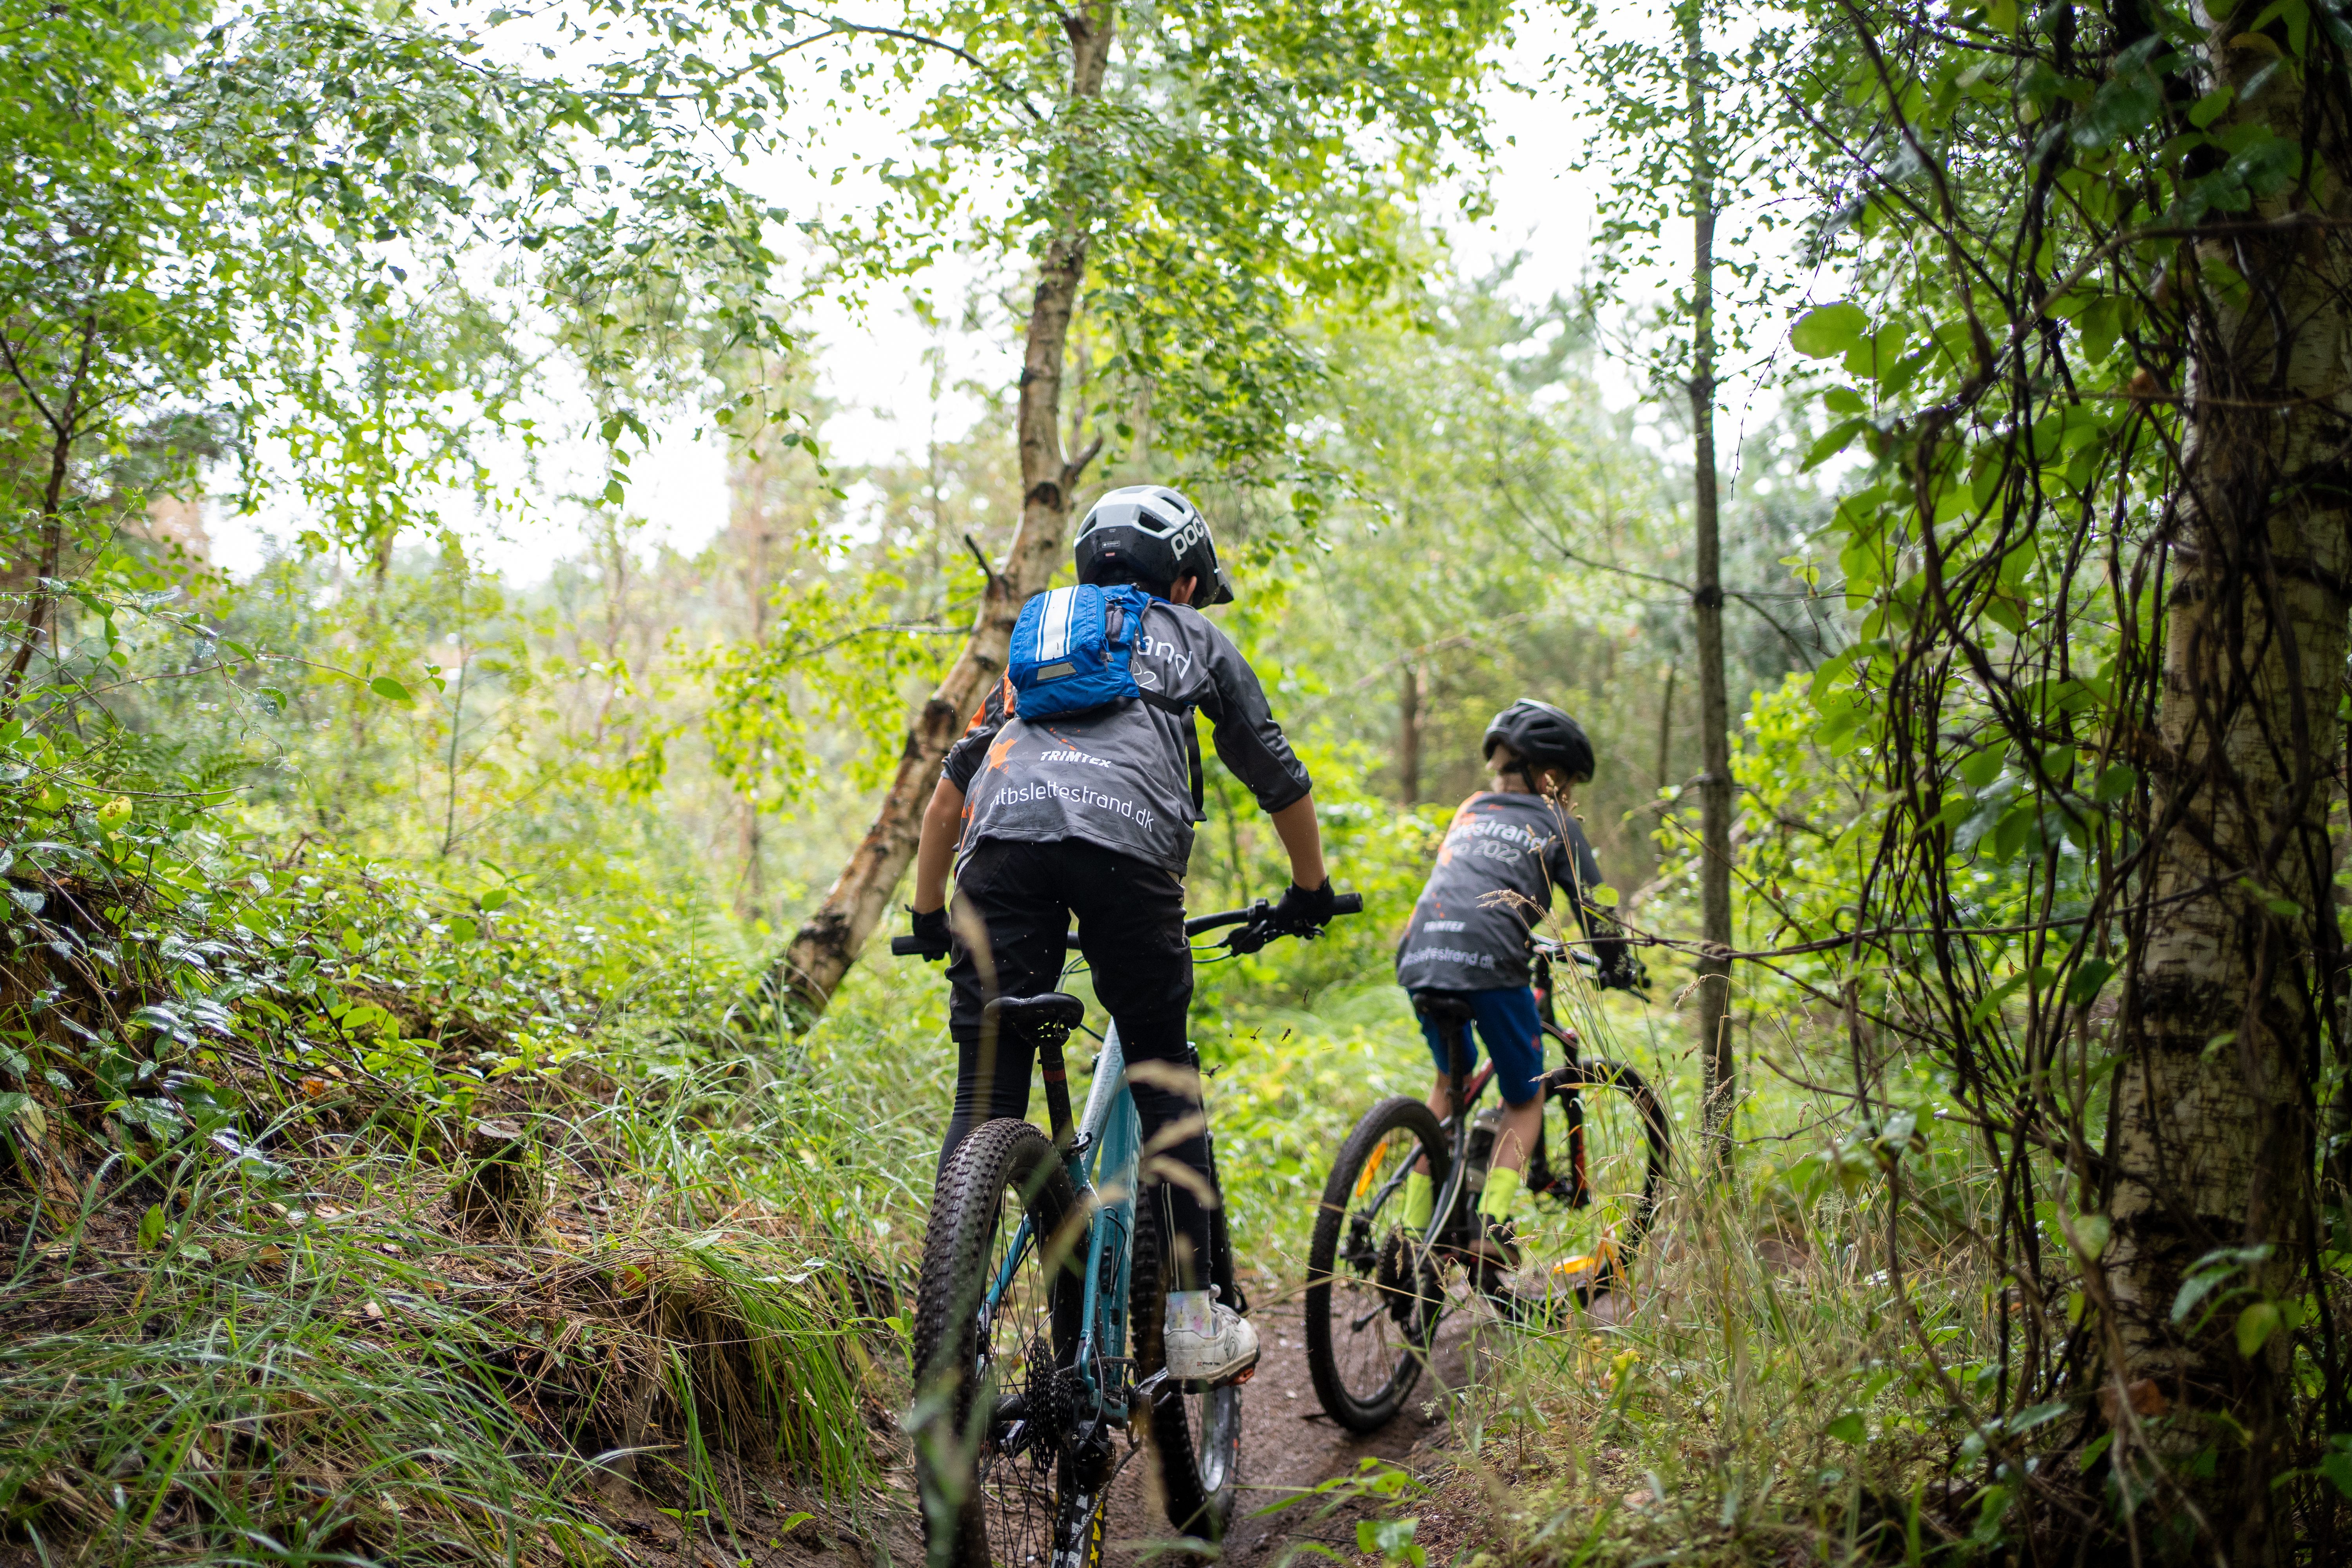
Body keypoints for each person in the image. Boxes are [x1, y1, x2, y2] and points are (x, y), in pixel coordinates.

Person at [904, 484, 1334, 1387]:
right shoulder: (1192, 635)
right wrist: (1310, 890)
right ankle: (1191, 1320)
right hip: (1126, 858)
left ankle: (950, 1331)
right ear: (1183, 581)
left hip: (1001, 853)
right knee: (1161, 1069)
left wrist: (928, 914)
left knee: (984, 1095)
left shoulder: (1041, 643)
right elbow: (1277, 774)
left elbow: (947, 799)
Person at [1393, 698, 1641, 1270]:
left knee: (1447, 1084)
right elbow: (1595, 909)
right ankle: (1490, 1224)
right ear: (1548, 775)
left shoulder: (1470, 809)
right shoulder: (1558, 824)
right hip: (1490, 962)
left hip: (1421, 954)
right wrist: (1620, 965)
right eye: (1570, 782)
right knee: (1525, 1097)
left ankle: (1409, 1231)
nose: (1570, 795)